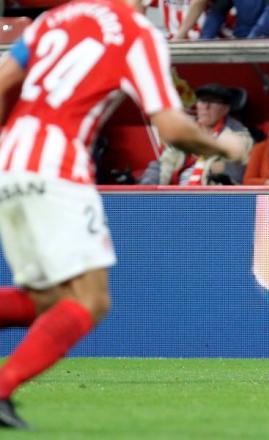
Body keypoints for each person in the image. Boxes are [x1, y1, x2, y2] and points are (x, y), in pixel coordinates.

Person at [0, 0, 243, 429]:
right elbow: (171, 127)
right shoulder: (137, 33)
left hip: (10, 160)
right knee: (90, 301)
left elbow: (3, 81)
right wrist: (226, 147)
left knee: (49, 300)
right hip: (57, 168)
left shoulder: (56, 17)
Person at [141, 83, 253, 185]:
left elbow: (239, 171)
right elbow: (164, 163)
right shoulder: (184, 132)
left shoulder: (239, 136)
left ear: (225, 109)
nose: (206, 106)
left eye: (213, 101)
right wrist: (147, 186)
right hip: (176, 194)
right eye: (202, 101)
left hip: (210, 198)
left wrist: (221, 168)